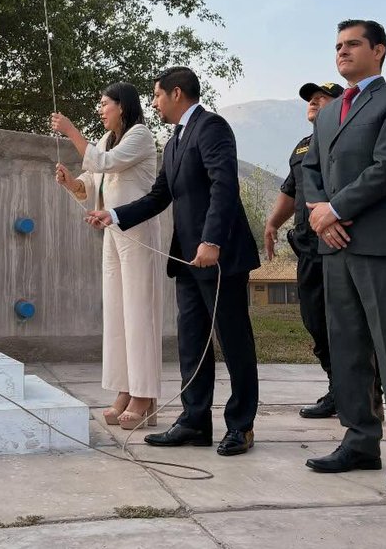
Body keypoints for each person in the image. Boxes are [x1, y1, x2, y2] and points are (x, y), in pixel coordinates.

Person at [85, 66, 260, 457]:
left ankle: (241, 426)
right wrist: (112, 215)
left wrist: (211, 240)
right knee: (192, 342)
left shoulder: (212, 128)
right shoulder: (175, 141)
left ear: (177, 93)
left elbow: (224, 185)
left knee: (233, 343)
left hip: (219, 256)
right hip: (186, 258)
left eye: (158, 95)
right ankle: (195, 422)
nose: (154, 103)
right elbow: (159, 195)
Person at [302, 20, 386, 494]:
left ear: (378, 50)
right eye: (337, 46)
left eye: (352, 44)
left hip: (382, 245)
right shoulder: (330, 111)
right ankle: (359, 441)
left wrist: (335, 209)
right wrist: (322, 214)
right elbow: (311, 168)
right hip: (334, 246)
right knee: (348, 346)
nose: (342, 52)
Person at [52, 83, 164, 429]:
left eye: (104, 104)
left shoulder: (140, 135)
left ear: (122, 106)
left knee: (139, 313)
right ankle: (124, 389)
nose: (100, 110)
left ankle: (144, 396)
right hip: (111, 233)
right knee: (116, 313)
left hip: (139, 233)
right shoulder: (103, 141)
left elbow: (106, 164)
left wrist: (70, 130)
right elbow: (91, 181)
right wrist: (71, 182)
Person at [264, 81, 344, 418]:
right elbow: (292, 189)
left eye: (322, 98)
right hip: (308, 248)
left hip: (340, 245)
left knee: (345, 321)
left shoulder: (347, 139)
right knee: (315, 320)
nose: (314, 101)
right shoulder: (303, 146)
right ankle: (337, 387)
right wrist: (272, 223)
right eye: (311, 98)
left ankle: (365, 390)